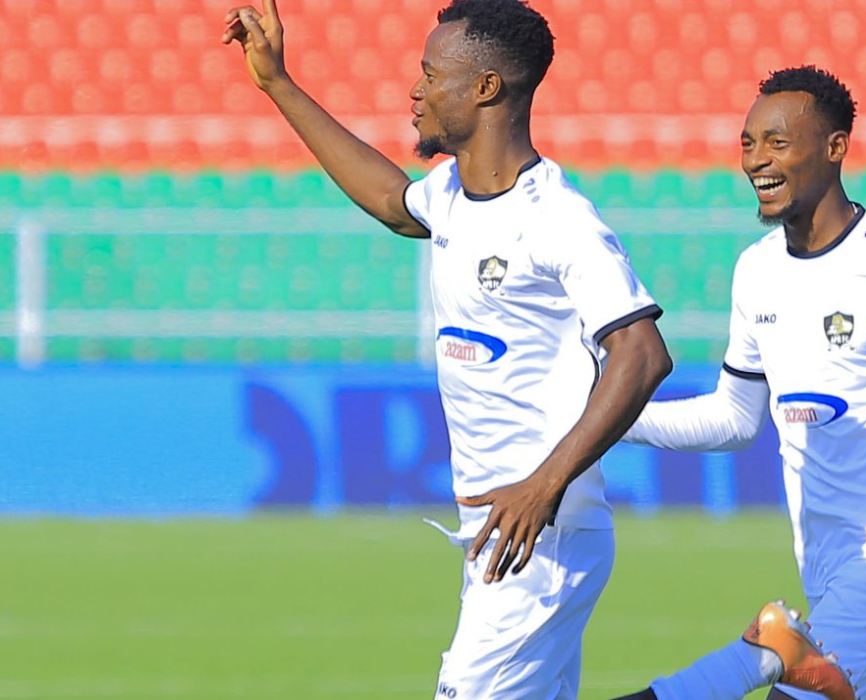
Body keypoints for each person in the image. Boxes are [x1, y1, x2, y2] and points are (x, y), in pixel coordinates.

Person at [221, 1, 673, 698]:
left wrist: (543, 485)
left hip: (540, 535)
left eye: (431, 75)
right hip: (498, 531)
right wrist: (278, 83)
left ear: (486, 87)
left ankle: (756, 661)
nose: (416, 91)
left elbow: (642, 353)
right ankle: (757, 660)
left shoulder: (557, 220)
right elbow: (391, 201)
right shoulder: (453, 193)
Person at [610, 65, 866, 700]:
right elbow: (733, 418)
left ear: (835, 147)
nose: (757, 159)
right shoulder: (756, 271)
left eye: (777, 142)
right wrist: (611, 419)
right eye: (748, 143)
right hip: (826, 565)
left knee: (793, 690)